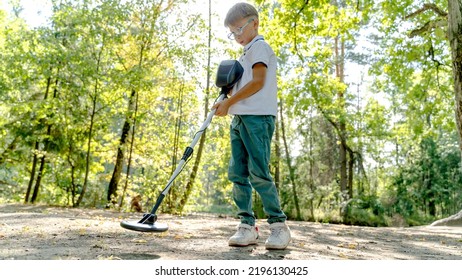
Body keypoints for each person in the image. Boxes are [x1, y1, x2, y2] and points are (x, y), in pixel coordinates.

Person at [212, 2, 291, 250]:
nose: (235, 36)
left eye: (238, 30)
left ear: (254, 23)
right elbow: (239, 87)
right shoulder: (244, 54)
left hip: (258, 118)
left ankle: (279, 227)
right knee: (238, 173)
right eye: (231, 33)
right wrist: (224, 102)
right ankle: (247, 225)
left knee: (259, 172)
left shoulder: (260, 47)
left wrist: (230, 102)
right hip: (240, 118)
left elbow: (258, 83)